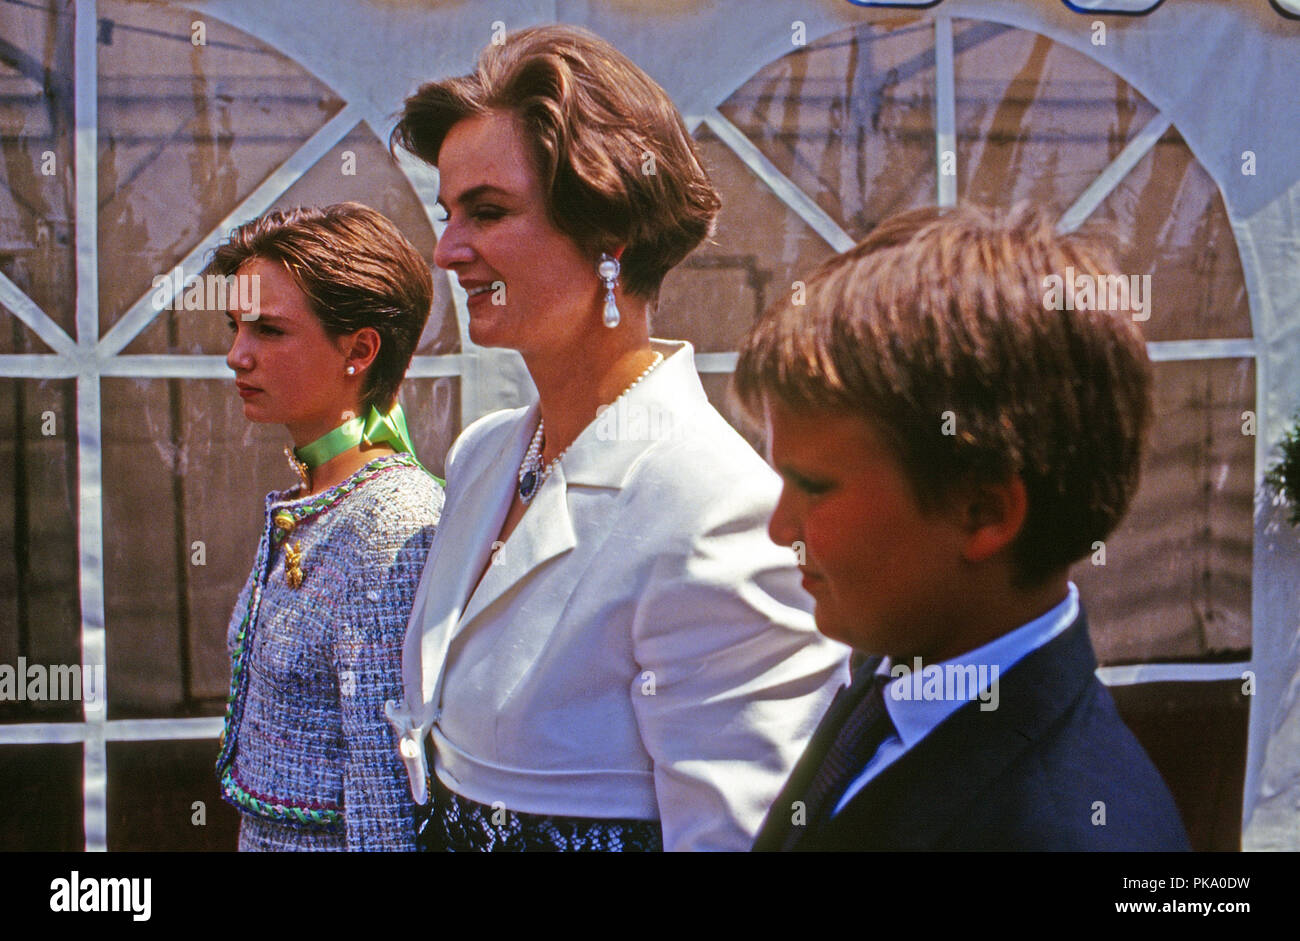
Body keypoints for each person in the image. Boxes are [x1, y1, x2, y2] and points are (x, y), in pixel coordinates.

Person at [384, 24, 847, 852]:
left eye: (487, 212)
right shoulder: (484, 454)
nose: (447, 249)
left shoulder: (717, 511)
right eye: (448, 212)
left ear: (610, 234)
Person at [737, 203, 1191, 851]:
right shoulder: (901, 667)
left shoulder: (1067, 829)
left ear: (982, 513)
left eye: (814, 486)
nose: (782, 528)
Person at [210, 203, 444, 851]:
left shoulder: (391, 521)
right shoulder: (313, 500)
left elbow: (384, 782)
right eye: (234, 327)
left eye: (268, 331)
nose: (237, 355)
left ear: (360, 349)